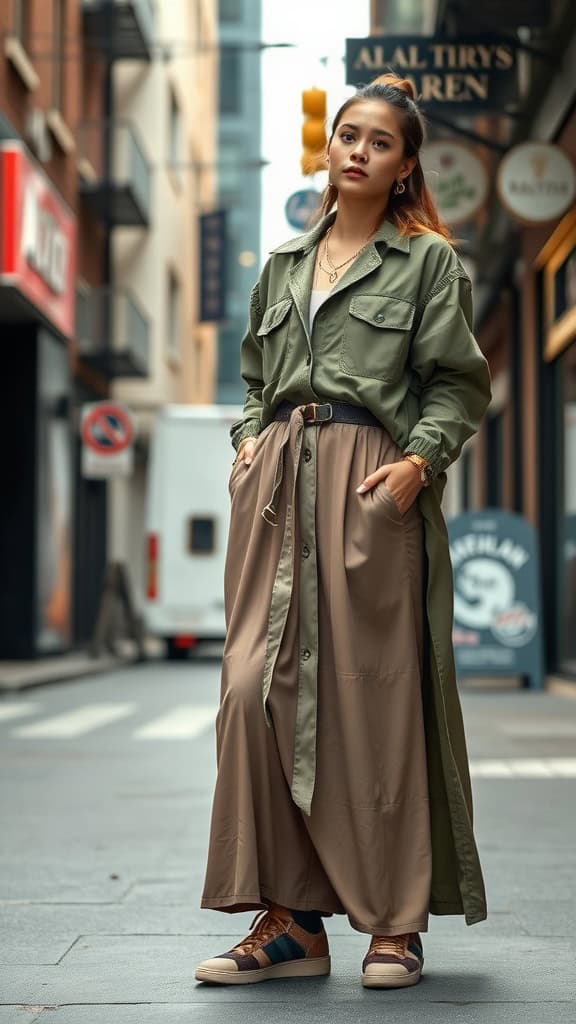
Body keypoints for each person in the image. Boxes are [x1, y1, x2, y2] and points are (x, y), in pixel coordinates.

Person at [195, 72, 491, 990]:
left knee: (374, 703)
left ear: (404, 168)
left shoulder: (427, 262)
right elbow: (253, 381)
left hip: (370, 486)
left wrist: (416, 465)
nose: (357, 149)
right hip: (279, 489)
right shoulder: (282, 265)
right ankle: (289, 922)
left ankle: (394, 924)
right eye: (348, 134)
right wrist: (250, 442)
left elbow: (456, 383)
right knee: (253, 694)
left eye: (380, 142)